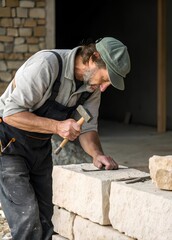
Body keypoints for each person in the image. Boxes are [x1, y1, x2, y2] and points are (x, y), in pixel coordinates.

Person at [0, 36, 130, 240]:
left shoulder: (91, 87)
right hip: (7, 144)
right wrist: (57, 126)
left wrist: (97, 154)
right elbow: (11, 114)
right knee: (27, 219)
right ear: (93, 58)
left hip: (39, 146)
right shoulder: (46, 65)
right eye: (105, 79)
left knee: (45, 219)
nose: (104, 87)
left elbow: (87, 127)